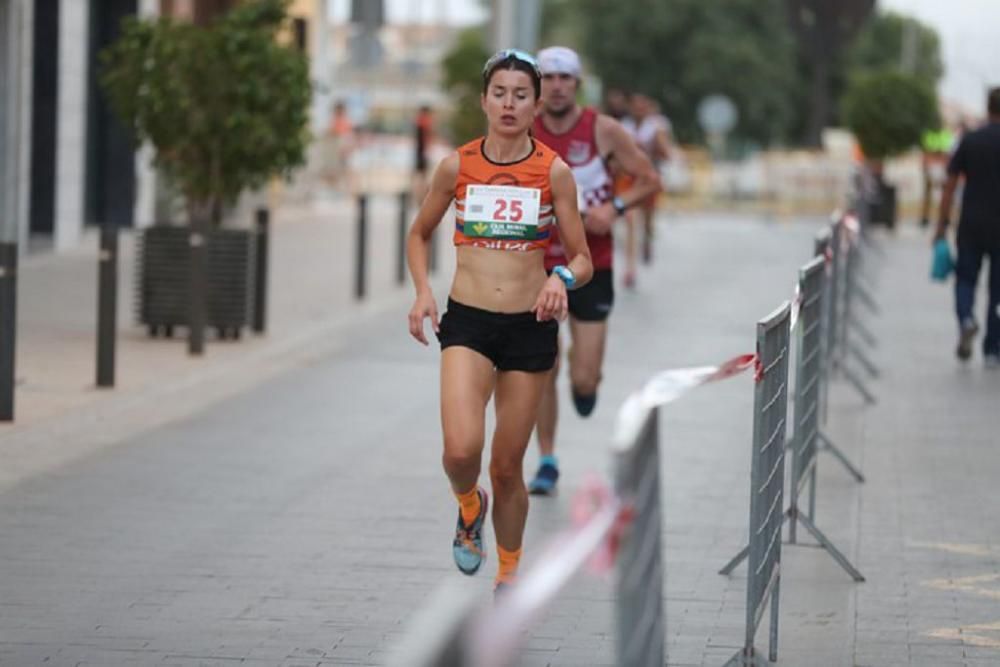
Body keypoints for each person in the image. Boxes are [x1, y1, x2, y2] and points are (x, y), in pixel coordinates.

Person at [406, 49, 593, 591]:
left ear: (536, 105)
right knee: (461, 451)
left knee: (508, 467)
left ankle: (508, 577)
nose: (509, 104)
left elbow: (580, 257)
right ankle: (469, 507)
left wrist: (561, 279)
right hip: (467, 322)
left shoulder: (553, 172)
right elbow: (418, 233)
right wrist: (422, 292)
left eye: (521, 95)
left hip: (527, 327)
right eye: (499, 93)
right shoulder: (457, 165)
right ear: (484, 100)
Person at [528, 46, 660, 495]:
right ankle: (546, 460)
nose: (558, 86)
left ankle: (584, 384)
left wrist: (615, 207)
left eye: (566, 78)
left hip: (590, 266)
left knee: (582, 377)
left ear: (577, 84)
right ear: (538, 84)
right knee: (542, 365)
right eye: (549, 77)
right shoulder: (524, 130)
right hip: (537, 268)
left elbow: (648, 179)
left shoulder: (603, 131)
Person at [933, 87, 1000, 367]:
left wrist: (941, 225)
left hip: (971, 223)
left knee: (965, 280)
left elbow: (949, 186)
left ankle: (966, 320)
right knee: (998, 290)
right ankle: (993, 348)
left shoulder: (970, 140)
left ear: (988, 107)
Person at [622, 92, 672, 265]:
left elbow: (667, 154)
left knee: (648, 220)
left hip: (649, 179)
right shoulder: (624, 127)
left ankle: (647, 240)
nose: (638, 111)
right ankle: (630, 267)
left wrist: (654, 147)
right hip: (629, 179)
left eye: (642, 107)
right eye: (635, 107)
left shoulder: (656, 127)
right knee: (629, 219)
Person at [413, 105, 435, 203]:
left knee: (421, 176)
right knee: (422, 176)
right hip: (423, 152)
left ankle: (420, 196)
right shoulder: (424, 122)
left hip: (419, 152)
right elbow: (426, 138)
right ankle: (421, 197)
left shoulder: (419, 121)